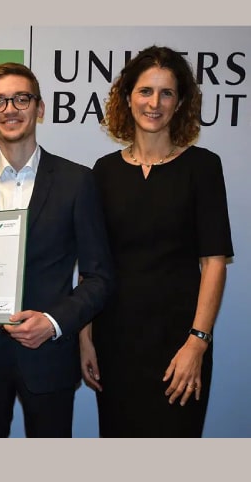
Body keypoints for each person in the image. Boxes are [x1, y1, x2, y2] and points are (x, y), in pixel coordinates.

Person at [0, 62, 114, 437]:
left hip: (50, 357)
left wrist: (54, 323)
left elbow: (99, 277)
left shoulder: (77, 181)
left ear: (39, 108)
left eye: (21, 98)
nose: (10, 109)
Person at [79, 45, 234, 437]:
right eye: (146, 91)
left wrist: (197, 343)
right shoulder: (104, 171)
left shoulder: (203, 167)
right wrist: (85, 338)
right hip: (115, 342)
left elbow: (213, 262)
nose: (155, 103)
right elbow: (92, 264)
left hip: (179, 346)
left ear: (180, 102)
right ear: (127, 97)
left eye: (167, 93)